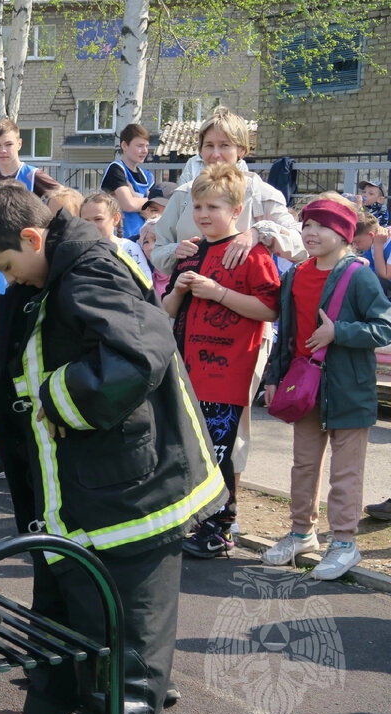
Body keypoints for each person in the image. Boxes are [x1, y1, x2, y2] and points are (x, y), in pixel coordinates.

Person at [0, 183, 224, 714]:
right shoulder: (57, 267)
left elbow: (140, 353)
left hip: (132, 485)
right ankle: (52, 707)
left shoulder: (89, 270)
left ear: (33, 238)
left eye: (8, 267)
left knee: (129, 618)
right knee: (62, 595)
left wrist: (50, 401)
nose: (11, 282)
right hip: (82, 482)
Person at [152, 106, 306, 534]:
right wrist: (177, 254)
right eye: (208, 145)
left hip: (241, 334)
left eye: (225, 145)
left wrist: (258, 231)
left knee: (229, 425)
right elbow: (158, 247)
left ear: (243, 149)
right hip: (191, 325)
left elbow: (296, 244)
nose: (217, 153)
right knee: (191, 418)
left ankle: (224, 512)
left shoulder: (260, 191)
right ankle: (195, 506)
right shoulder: (188, 193)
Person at [261, 197, 391, 580]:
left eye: (322, 226)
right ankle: (302, 533)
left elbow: (383, 327)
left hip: (349, 389)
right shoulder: (296, 274)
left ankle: (345, 543)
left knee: (345, 472)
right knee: (303, 465)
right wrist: (273, 377)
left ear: (345, 235)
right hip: (304, 388)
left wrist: (340, 332)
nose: (311, 233)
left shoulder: (359, 275)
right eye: (307, 225)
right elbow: (287, 332)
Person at [160, 164, 280, 558]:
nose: (203, 214)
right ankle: (194, 520)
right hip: (187, 371)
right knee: (191, 450)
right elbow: (166, 312)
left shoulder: (250, 253)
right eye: (197, 206)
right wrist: (178, 290)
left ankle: (221, 527)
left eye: (213, 205)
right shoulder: (190, 251)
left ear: (236, 209)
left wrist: (218, 293)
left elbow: (269, 308)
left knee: (218, 452)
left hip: (226, 373)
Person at [0, 117, 62, 198]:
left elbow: (67, 198)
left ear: (19, 144)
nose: (3, 150)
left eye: (9, 144)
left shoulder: (32, 176)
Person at [79, 191, 152, 281]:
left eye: (98, 219)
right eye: (86, 220)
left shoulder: (129, 249)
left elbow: (146, 283)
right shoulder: (78, 251)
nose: (92, 225)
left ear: (116, 218)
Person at [99, 123, 153, 239]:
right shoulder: (116, 169)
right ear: (124, 145)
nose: (144, 151)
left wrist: (136, 199)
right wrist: (149, 201)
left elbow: (156, 210)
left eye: (147, 146)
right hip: (120, 238)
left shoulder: (148, 176)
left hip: (143, 240)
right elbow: (128, 205)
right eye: (139, 146)